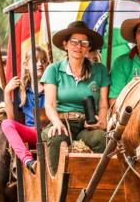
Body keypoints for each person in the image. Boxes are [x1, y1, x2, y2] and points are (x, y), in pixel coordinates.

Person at [41, 21, 110, 174]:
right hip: (62, 122)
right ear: (65, 45)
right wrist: (57, 123)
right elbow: (49, 104)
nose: (78, 46)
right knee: (57, 138)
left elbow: (103, 104)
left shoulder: (100, 70)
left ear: (89, 47)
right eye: (74, 42)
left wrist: (101, 122)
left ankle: (98, 187)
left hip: (88, 125)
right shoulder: (54, 69)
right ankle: (56, 192)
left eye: (84, 43)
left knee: (102, 138)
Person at [1, 47, 47, 174]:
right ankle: (28, 161)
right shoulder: (22, 90)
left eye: (43, 61)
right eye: (35, 61)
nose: (39, 64)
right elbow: (11, 118)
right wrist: (7, 92)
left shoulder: (51, 86)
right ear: (26, 65)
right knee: (6, 124)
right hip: (32, 132)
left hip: (49, 131)